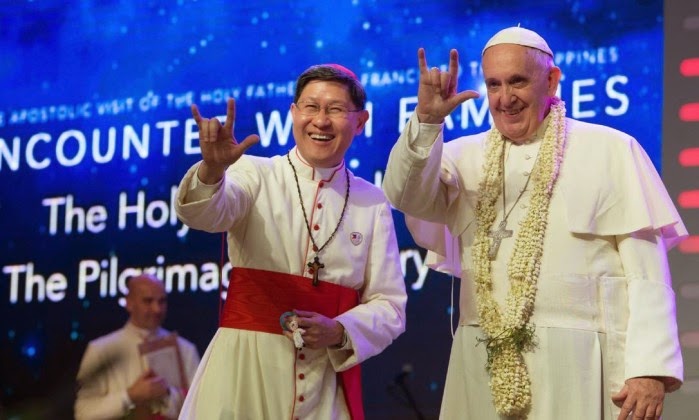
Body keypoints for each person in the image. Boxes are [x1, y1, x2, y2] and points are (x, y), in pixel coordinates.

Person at [382, 27, 686, 420]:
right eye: (494, 84)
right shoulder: (460, 156)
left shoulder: (611, 148)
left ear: (552, 80)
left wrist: (650, 369)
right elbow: (404, 195)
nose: (505, 98)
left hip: (581, 364)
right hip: (483, 361)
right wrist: (426, 122)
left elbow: (647, 273)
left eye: (518, 81)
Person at [174, 63, 407, 419]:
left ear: (360, 121)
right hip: (244, 370)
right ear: (294, 113)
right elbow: (204, 215)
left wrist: (340, 330)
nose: (321, 121)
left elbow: (390, 305)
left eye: (335, 109)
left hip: (323, 383)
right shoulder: (254, 172)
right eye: (311, 107)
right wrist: (212, 171)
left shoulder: (371, 202)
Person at [74, 274, 201, 419]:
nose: (157, 309)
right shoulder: (100, 350)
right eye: (148, 301)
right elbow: (83, 412)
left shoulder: (186, 350)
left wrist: (167, 394)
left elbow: (201, 407)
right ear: (129, 303)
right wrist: (130, 396)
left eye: (162, 301)